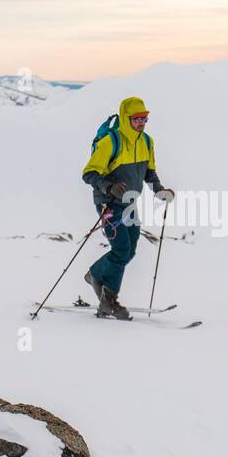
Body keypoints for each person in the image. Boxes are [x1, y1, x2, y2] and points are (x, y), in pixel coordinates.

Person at [81, 96, 174, 319]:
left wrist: (159, 189)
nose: (142, 122)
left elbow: (149, 172)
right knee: (121, 249)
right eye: (137, 118)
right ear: (126, 118)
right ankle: (109, 302)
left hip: (130, 202)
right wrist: (109, 186)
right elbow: (89, 173)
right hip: (109, 203)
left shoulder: (147, 142)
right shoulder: (111, 141)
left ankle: (95, 275)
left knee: (129, 250)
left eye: (145, 118)